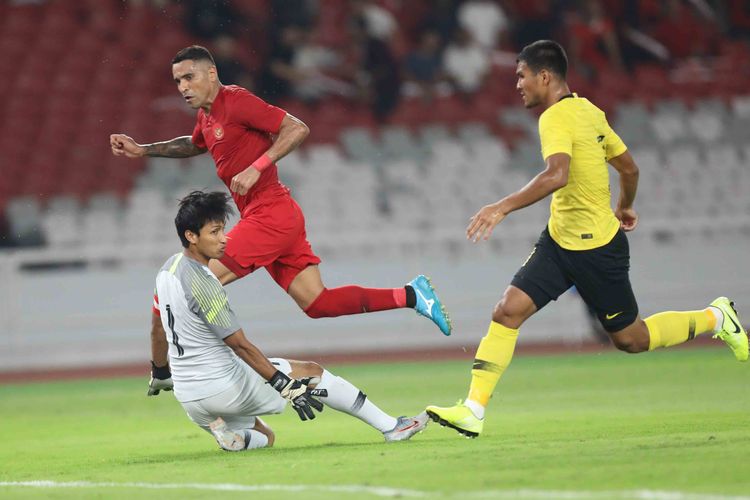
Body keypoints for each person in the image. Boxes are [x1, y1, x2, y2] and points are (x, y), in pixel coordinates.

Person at [425, 40, 748, 438]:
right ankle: (473, 409)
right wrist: (626, 206)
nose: (518, 84)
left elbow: (556, 175)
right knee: (507, 312)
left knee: (631, 338)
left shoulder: (556, 117)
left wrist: (502, 206)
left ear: (544, 76)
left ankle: (717, 316)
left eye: (521, 75)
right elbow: (629, 170)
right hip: (560, 241)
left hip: (596, 248)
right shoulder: (589, 111)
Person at [110, 45, 451, 336]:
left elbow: (297, 128)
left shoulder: (237, 101)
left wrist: (256, 167)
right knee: (318, 303)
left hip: (269, 213)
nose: (183, 87)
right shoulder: (207, 116)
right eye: (178, 81)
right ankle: (412, 295)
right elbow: (194, 144)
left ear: (211, 73)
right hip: (275, 215)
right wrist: (143, 149)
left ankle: (205, 375)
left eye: (189, 77)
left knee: (199, 284)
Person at [147, 190, 429, 451]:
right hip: (222, 387)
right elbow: (240, 346)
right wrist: (284, 384)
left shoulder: (166, 270)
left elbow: (157, 330)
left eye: (223, 229)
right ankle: (392, 427)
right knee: (312, 372)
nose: (224, 239)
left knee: (265, 437)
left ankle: (231, 435)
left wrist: (160, 373)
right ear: (191, 236)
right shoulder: (205, 283)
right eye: (215, 232)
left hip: (190, 399)